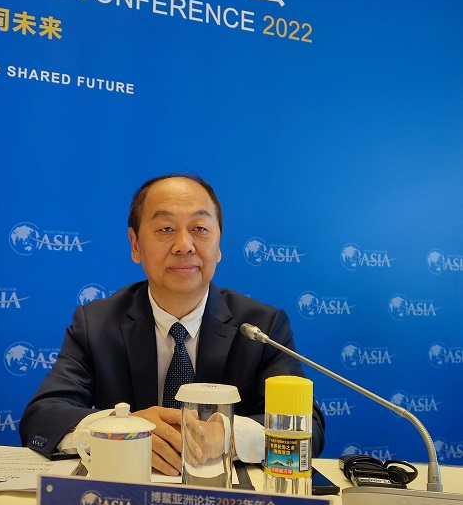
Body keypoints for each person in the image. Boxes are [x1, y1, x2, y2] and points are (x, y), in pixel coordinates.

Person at [19, 174, 325, 475]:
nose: (184, 245)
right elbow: (42, 417)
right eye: (166, 229)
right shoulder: (97, 324)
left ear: (218, 244)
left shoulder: (261, 328)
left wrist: (229, 434)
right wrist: (121, 430)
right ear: (135, 244)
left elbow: (307, 428)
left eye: (200, 229)